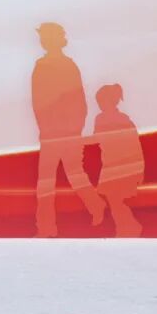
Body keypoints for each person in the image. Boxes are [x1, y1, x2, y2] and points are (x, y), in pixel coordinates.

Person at [31, 22, 104, 237]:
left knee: (71, 175)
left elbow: (78, 100)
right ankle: (46, 227)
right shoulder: (43, 66)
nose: (42, 41)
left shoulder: (66, 66)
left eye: (45, 37)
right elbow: (38, 102)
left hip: (64, 133)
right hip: (52, 134)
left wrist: (73, 129)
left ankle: (95, 205)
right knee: (48, 181)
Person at [93, 84, 145, 237]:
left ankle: (128, 227)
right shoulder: (121, 119)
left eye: (100, 101)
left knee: (115, 200)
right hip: (115, 166)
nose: (99, 105)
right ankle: (127, 227)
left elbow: (134, 146)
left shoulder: (104, 119)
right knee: (115, 200)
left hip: (118, 167)